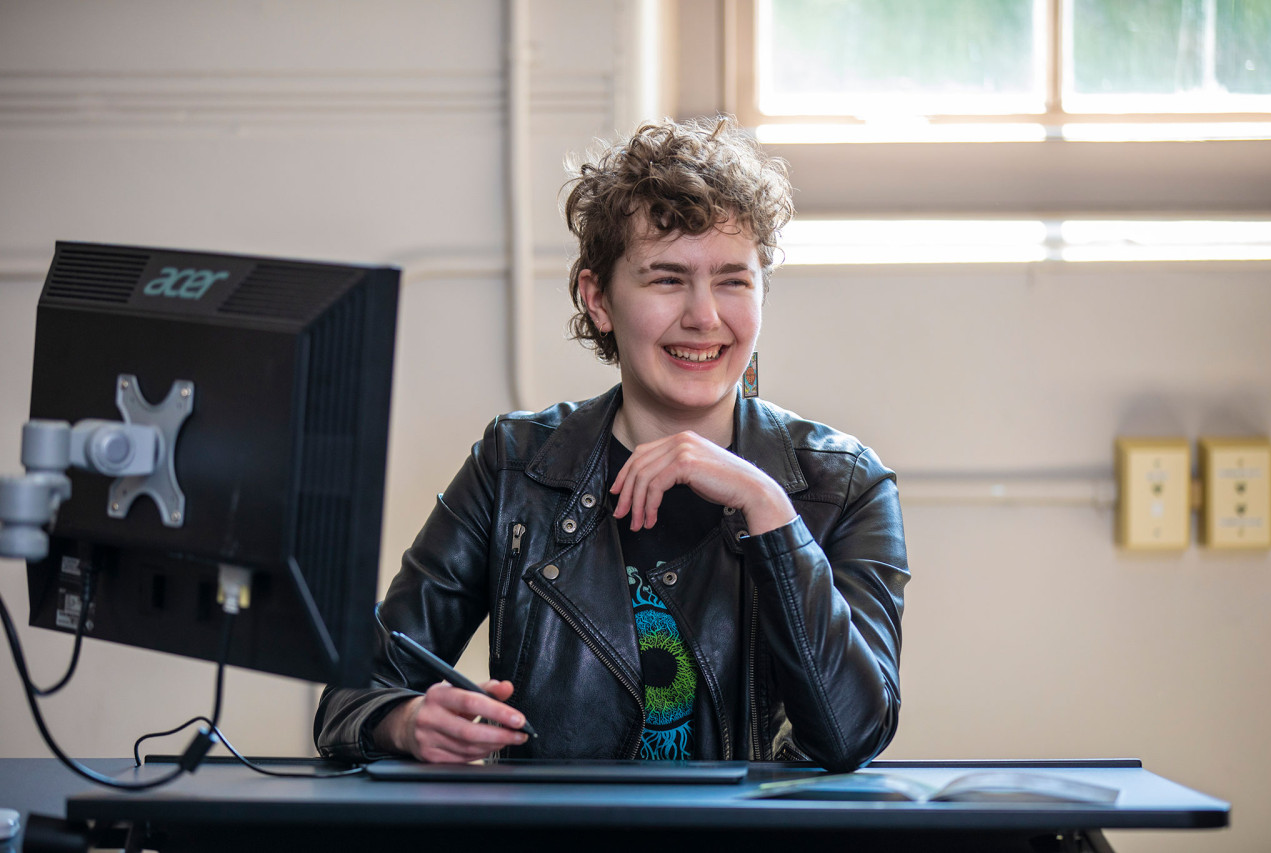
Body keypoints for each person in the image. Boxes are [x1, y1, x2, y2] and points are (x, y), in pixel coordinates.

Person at [314, 116, 909, 771]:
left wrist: (766, 505)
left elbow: (851, 734)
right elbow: (351, 693)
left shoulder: (846, 484)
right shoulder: (514, 464)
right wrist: (405, 722)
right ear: (598, 299)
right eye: (666, 278)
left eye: (734, 279)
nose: (704, 315)